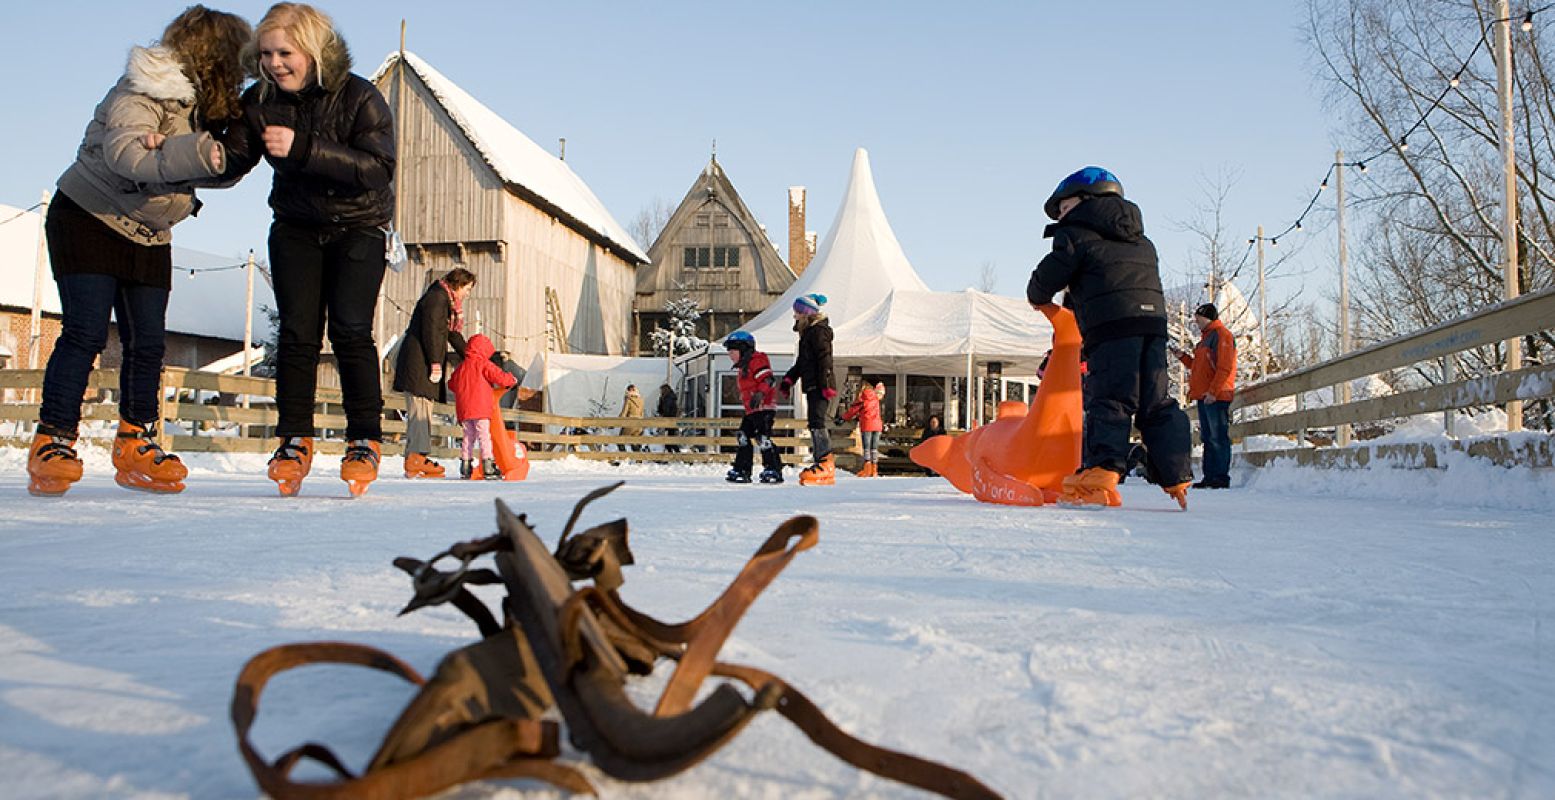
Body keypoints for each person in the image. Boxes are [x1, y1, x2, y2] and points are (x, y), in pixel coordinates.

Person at [27, 6, 252, 497]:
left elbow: (214, 167)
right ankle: (54, 440)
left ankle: (136, 440)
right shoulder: (147, 86)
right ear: (213, 55)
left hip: (150, 230)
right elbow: (127, 155)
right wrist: (195, 152)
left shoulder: (203, 105)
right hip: (89, 217)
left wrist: (227, 153)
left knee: (148, 342)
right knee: (85, 332)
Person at [220, 2, 397, 497]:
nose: (276, 63)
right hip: (296, 226)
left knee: (350, 329)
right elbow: (233, 158)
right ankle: (294, 438)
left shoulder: (360, 96)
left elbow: (378, 168)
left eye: (286, 52)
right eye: (267, 54)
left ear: (313, 50)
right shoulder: (259, 99)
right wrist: (191, 153)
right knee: (298, 334)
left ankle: (364, 438)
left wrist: (302, 149)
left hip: (359, 227)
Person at [1026, 166, 1193, 509]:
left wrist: (1036, 294)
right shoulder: (1141, 239)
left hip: (1111, 327)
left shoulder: (1075, 233)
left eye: (1064, 206)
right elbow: (1105, 275)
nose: (1061, 215)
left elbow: (1054, 271)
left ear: (1087, 200)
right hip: (1152, 325)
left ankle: (1101, 473)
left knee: (1112, 398)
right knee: (1155, 400)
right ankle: (1176, 474)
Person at [392, 268, 473, 479]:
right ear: (458, 284)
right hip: (420, 362)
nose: (467, 294)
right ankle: (417, 458)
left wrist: (470, 355)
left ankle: (414, 457)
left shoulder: (442, 299)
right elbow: (432, 333)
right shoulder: (437, 299)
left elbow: (449, 333)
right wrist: (435, 363)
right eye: (467, 289)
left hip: (422, 360)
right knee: (420, 409)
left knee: (423, 408)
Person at [1171, 302, 1237, 489]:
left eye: (1199, 319)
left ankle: (1220, 476)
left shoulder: (1221, 336)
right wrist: (1183, 357)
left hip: (1215, 395)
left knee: (1217, 436)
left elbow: (1225, 367)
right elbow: (1199, 368)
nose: (1197, 322)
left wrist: (1214, 391)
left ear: (1208, 318)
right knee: (1208, 437)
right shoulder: (1204, 340)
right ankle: (1210, 475)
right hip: (1204, 395)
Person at [779, 293, 837, 485]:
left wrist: (826, 384)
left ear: (806, 314)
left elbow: (825, 358)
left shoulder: (818, 332)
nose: (794, 316)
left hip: (821, 385)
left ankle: (826, 463)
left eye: (797, 312)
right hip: (813, 385)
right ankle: (821, 461)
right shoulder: (808, 334)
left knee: (817, 422)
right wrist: (789, 379)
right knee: (813, 422)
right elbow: (802, 363)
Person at [447, 334, 515, 480]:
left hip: (464, 409)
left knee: (468, 437)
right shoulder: (483, 364)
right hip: (481, 408)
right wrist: (511, 380)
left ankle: (465, 466)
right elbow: (499, 377)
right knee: (484, 436)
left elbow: (451, 384)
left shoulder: (462, 367)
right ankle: (488, 465)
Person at [722, 332, 784, 484]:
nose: (730, 355)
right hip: (752, 409)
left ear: (743, 349)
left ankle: (773, 469)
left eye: (732, 351)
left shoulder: (757, 360)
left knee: (762, 438)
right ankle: (742, 469)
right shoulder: (743, 367)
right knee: (743, 436)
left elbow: (768, 379)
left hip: (764, 407)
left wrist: (759, 394)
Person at [843, 381, 885, 477]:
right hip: (877, 425)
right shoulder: (876, 398)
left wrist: (843, 418)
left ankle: (867, 469)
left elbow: (852, 411)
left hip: (867, 425)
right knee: (874, 449)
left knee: (866, 448)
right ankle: (874, 470)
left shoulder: (863, 399)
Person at [656, 383, 681, 453]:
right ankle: (673, 455)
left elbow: (666, 410)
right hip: (669, 420)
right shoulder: (666, 398)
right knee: (669, 440)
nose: (660, 392)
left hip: (670, 420)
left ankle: (678, 454)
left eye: (661, 390)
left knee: (670, 440)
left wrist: (663, 416)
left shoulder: (669, 398)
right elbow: (661, 409)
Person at [619, 384, 644, 451]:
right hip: (639, 425)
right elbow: (642, 413)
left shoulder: (628, 399)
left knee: (620, 440)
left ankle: (623, 457)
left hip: (630, 423)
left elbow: (624, 412)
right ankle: (638, 459)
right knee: (634, 442)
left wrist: (617, 421)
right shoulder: (641, 400)